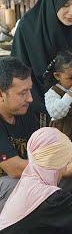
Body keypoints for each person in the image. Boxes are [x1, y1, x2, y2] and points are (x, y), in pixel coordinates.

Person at [11, 0, 72, 122]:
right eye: (65, 5)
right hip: (35, 104)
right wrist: (44, 104)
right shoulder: (28, 27)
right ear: (54, 2)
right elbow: (19, 69)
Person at [0, 57, 40, 212]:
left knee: (64, 178)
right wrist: (59, 167)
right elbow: (14, 169)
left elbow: (41, 151)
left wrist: (66, 157)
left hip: (18, 183)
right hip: (8, 184)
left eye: (29, 90)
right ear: (1, 94)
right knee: (18, 185)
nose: (30, 98)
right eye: (23, 93)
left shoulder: (25, 112)